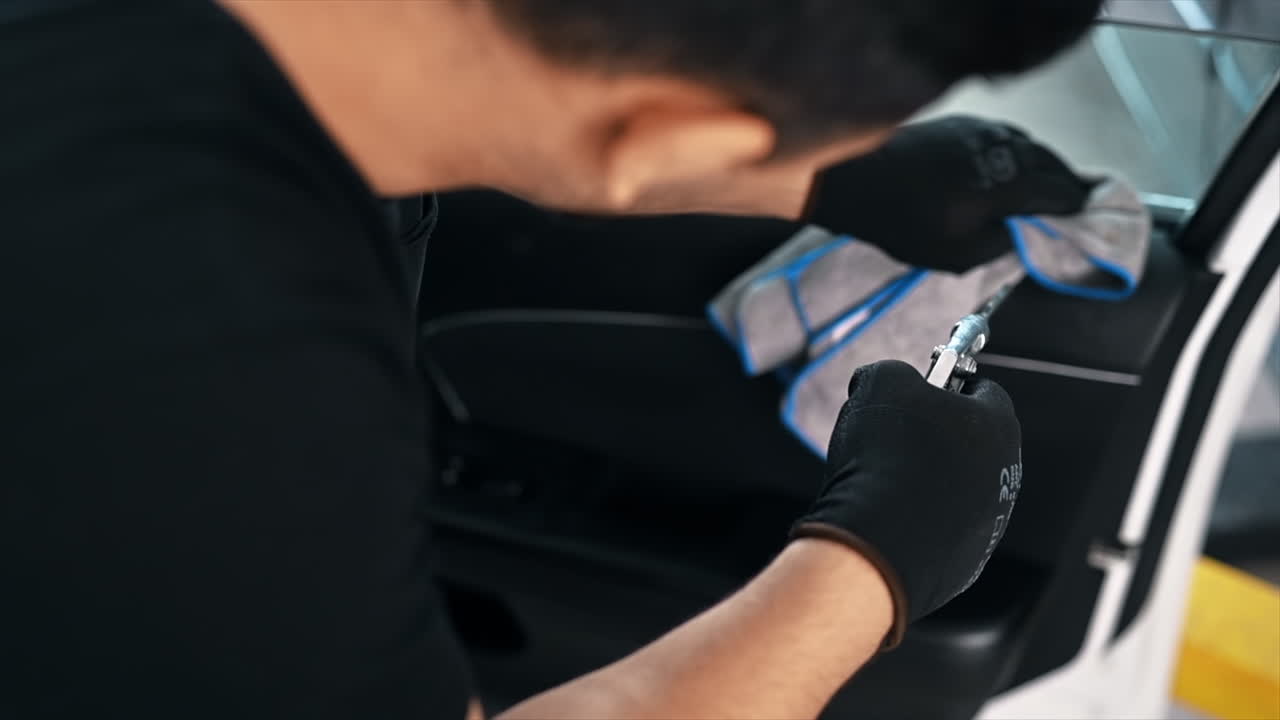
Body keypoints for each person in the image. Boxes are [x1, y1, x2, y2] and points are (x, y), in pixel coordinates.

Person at [0, 0, 1097, 718]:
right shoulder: (224, 399)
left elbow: (510, 94)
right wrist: (879, 559)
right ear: (670, 136)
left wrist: (835, 180)